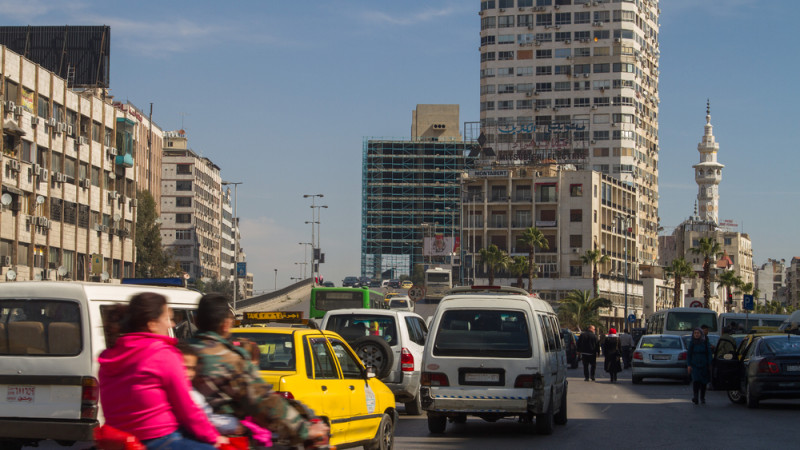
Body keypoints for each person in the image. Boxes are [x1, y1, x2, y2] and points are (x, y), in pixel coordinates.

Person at [189, 293, 329, 447]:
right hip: (224, 439)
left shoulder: (181, 352)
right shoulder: (228, 358)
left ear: (196, 321)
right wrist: (303, 429)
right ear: (226, 324)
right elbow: (261, 400)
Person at [98, 292, 228, 449]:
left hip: (119, 440)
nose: (172, 325)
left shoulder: (108, 356)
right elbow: (187, 409)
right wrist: (214, 438)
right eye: (168, 318)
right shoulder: (162, 354)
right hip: (160, 440)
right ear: (152, 324)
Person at [687, 327, 712, 404]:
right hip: (695, 365)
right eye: (695, 333)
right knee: (696, 381)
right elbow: (689, 354)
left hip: (704, 365)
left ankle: (702, 397)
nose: (696, 335)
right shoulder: (692, 343)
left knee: (703, 382)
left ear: (701, 334)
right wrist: (689, 365)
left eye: (698, 333)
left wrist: (709, 364)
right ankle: (695, 397)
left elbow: (709, 353)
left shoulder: (705, 342)